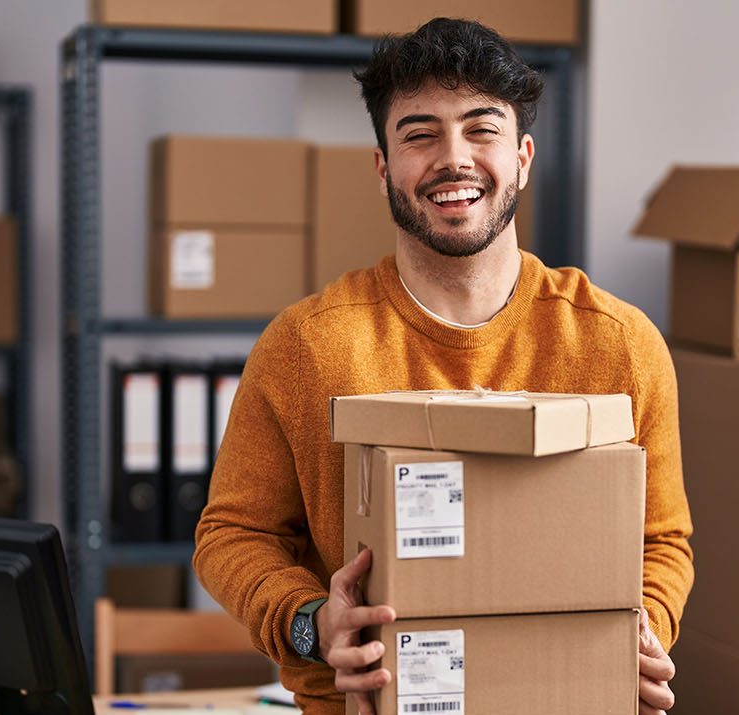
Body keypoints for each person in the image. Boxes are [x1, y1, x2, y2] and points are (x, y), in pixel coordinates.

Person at [194, 17, 692, 715]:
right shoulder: (307, 347)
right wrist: (310, 622)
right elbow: (231, 534)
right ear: (382, 168)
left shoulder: (618, 345)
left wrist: (642, 628)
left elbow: (662, 540)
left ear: (522, 156)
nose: (453, 159)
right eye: (419, 134)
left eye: (481, 129)